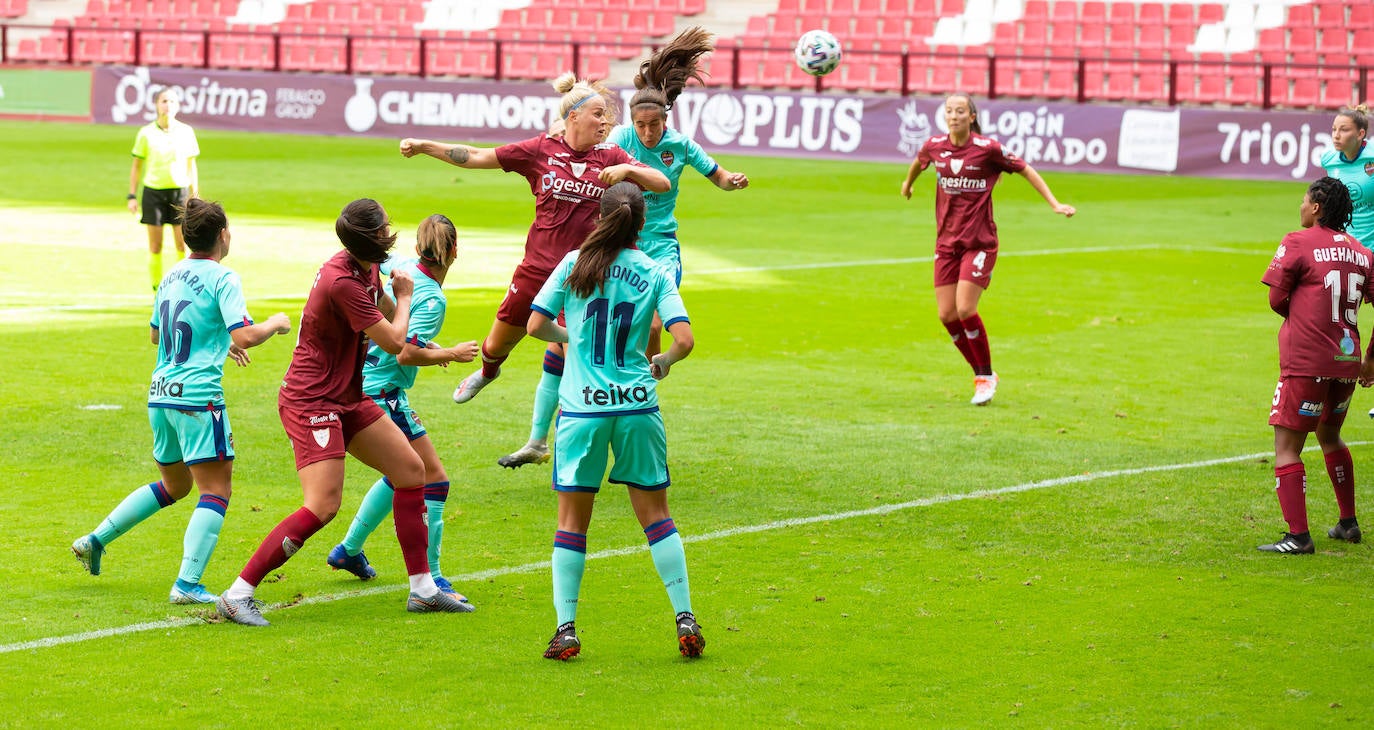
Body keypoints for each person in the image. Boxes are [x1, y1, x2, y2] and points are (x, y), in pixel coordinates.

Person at [498, 26, 750, 470]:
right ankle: (545, 434)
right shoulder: (617, 143)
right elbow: (577, 142)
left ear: (667, 122)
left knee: (650, 325)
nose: (649, 132)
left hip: (660, 247)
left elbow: (718, 175)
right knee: (569, 339)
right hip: (615, 242)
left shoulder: (680, 146)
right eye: (641, 125)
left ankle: (642, 378)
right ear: (631, 124)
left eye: (655, 125)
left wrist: (732, 182)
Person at [216, 199, 471, 626]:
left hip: (347, 395)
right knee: (322, 505)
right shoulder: (342, 281)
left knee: (412, 471)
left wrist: (420, 337)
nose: (392, 228)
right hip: (311, 399)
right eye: (386, 225)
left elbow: (390, 317)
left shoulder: (365, 266)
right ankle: (237, 594)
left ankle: (424, 589)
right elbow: (392, 341)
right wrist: (407, 296)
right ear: (373, 236)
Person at [398, 72, 670, 461]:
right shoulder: (540, 151)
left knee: (567, 346)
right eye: (597, 114)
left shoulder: (612, 157)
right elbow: (475, 156)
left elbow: (661, 183)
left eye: (606, 116)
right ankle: (489, 375)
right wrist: (426, 146)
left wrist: (630, 171)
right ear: (573, 116)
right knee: (495, 346)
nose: (604, 122)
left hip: (581, 276)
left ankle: (565, 429)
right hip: (534, 270)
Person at [71, 199, 291, 603]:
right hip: (197, 399)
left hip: (161, 395)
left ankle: (96, 539)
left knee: (173, 485)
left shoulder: (172, 274)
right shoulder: (224, 277)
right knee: (216, 490)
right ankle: (188, 583)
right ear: (223, 234)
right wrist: (275, 323)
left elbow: (159, 335)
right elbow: (244, 335)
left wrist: (213, 341)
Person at [527, 181, 701, 660]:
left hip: (582, 410)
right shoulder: (656, 270)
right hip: (637, 408)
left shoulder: (574, 264)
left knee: (571, 523)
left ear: (598, 217)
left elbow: (535, 325)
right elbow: (683, 341)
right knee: (657, 518)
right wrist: (662, 362)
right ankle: (684, 615)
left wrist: (573, 335)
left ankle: (566, 629)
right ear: (642, 223)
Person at [325, 215, 480, 598]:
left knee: (400, 476)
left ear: (416, 248)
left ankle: (348, 550)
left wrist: (428, 347)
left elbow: (393, 318)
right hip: (383, 390)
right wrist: (450, 352)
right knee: (434, 480)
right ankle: (434, 579)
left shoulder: (399, 267)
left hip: (363, 379)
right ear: (455, 251)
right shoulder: (434, 299)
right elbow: (406, 352)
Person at [900, 93, 1075, 405]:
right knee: (947, 315)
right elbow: (919, 162)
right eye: (949, 111)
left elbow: (1025, 169)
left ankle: (983, 377)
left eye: (960, 111)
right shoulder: (934, 145)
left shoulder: (987, 149)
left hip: (980, 243)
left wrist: (1055, 203)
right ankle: (983, 373)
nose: (953, 116)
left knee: (966, 309)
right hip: (947, 243)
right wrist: (907, 183)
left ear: (971, 116)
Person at [1258, 177, 1371, 554]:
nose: (1301, 206)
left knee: (1287, 445)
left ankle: (1298, 536)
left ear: (1317, 207)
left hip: (1305, 362)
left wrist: (1305, 319)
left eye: (1304, 200)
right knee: (1330, 435)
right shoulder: (1361, 251)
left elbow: (1276, 298)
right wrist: (1370, 358)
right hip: (1346, 363)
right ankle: (1348, 522)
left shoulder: (1296, 241)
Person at [128, 87, 200, 292]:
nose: (168, 106)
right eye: (164, 101)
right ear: (156, 105)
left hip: (180, 192)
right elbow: (136, 166)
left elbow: (191, 165)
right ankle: (157, 288)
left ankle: (183, 287)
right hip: (153, 193)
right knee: (155, 246)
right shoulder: (146, 133)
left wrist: (195, 195)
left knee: (182, 245)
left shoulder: (186, 132)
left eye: (172, 102)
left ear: (178, 106)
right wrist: (132, 195)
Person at [1321, 104, 1374, 244]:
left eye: (1344, 130)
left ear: (1360, 134)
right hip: (1345, 247)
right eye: (1334, 129)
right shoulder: (1329, 160)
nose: (1336, 135)